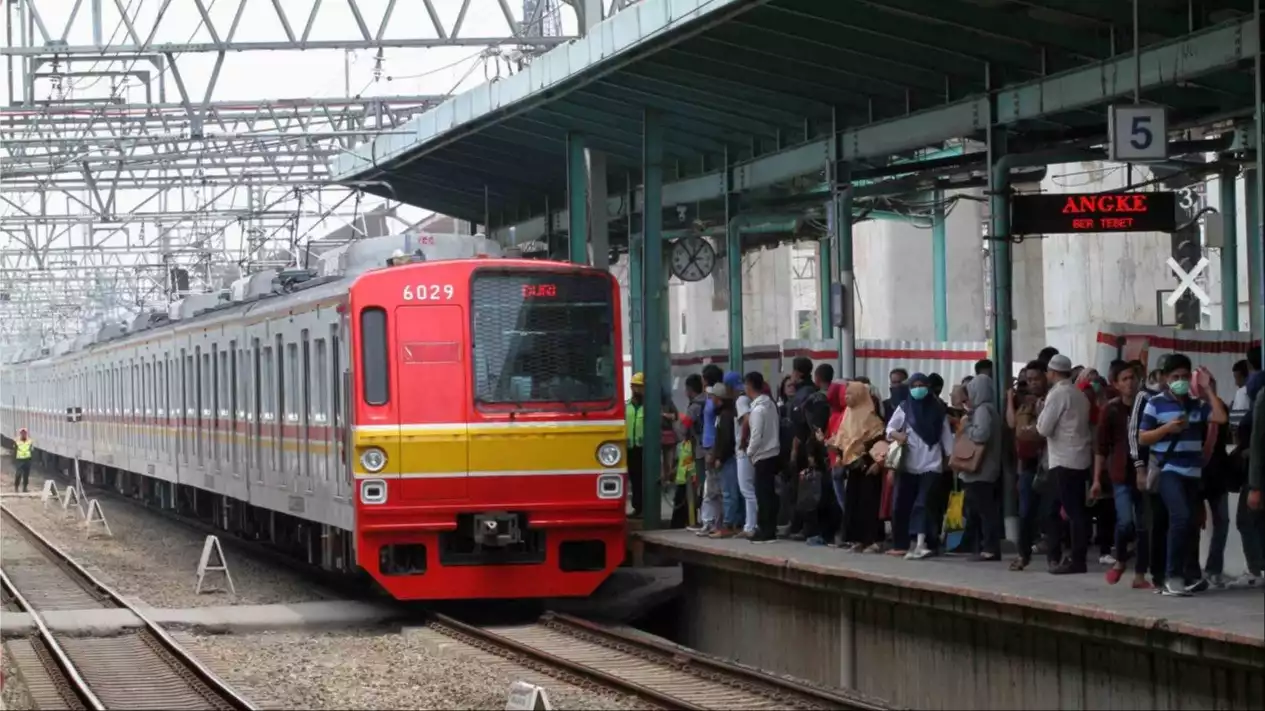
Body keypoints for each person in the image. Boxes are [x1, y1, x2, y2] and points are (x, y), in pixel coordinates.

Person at [1138, 354, 1229, 596]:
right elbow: (1142, 436)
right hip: (1169, 470)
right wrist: (1168, 428)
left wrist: (1207, 390)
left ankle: (1187, 574)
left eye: (1184, 377)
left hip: (1193, 472)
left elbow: (1220, 417)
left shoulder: (1196, 405)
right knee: (1180, 517)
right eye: (1175, 377)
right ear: (1166, 379)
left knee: (1189, 523)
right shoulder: (1155, 403)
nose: (1180, 381)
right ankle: (1171, 575)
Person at [1091, 361, 1152, 588]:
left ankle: (1140, 574)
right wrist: (1097, 479)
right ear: (1116, 384)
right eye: (1124, 379)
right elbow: (1100, 447)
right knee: (1126, 521)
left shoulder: (1147, 405)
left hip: (1144, 472)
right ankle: (1120, 560)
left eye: (1132, 378)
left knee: (1145, 525)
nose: (1129, 383)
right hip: (1119, 474)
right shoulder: (1111, 409)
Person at [886, 372, 955, 559]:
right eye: (914, 385)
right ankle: (902, 544)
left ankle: (922, 543)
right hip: (908, 465)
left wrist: (950, 461)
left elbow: (946, 438)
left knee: (923, 504)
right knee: (902, 504)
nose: (918, 388)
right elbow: (890, 429)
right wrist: (898, 435)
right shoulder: (904, 407)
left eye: (921, 385)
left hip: (931, 465)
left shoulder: (938, 410)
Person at [1036, 354, 1094, 575]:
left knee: (1070, 511)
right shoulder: (1079, 394)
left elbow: (1043, 428)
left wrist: (1039, 415)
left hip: (1062, 460)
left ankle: (1076, 559)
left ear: (1051, 372)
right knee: (1072, 510)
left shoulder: (1058, 394)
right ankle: (1064, 555)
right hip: (1080, 458)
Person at [830, 381, 888, 552]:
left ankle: (874, 540)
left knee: (869, 502)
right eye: (845, 394)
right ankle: (857, 539)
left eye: (850, 394)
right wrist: (840, 454)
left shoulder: (871, 415)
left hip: (868, 465)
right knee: (853, 502)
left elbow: (878, 438)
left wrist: (878, 462)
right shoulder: (848, 414)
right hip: (852, 465)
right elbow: (843, 437)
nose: (846, 397)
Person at [1009, 359, 1051, 571]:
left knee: (1050, 512)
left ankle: (1054, 555)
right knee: (1026, 512)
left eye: (1036, 379)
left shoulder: (1052, 399)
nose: (1033, 383)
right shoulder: (1026, 403)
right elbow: (1017, 429)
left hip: (1049, 462)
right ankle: (1023, 554)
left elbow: (1040, 431)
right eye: (1029, 380)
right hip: (1028, 464)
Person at [957, 374, 1003, 561]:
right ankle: (982, 546)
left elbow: (981, 434)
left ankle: (990, 548)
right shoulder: (987, 409)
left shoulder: (983, 410)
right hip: (986, 467)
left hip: (982, 468)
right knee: (982, 508)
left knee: (985, 510)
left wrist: (967, 426)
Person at [745, 372, 780, 543]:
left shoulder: (758, 409)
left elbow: (756, 435)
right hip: (773, 452)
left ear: (750, 386)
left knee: (763, 494)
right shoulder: (771, 405)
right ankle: (770, 528)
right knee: (768, 493)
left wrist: (749, 452)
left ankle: (765, 530)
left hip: (762, 455)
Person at [694, 365, 725, 536]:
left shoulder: (714, 397)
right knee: (710, 485)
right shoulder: (709, 396)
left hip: (712, 444)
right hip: (708, 444)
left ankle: (712, 521)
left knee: (713, 486)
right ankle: (709, 521)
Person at [707, 383, 740, 538]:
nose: (711, 399)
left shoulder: (725, 416)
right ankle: (731, 523)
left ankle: (728, 524)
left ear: (718, 398)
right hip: (727, 458)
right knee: (729, 492)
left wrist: (720, 457)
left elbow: (726, 439)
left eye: (712, 396)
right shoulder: (724, 414)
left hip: (728, 459)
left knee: (729, 493)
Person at [732, 372, 758, 540]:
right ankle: (752, 524)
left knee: (746, 489)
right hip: (751, 448)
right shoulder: (748, 399)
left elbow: (747, 419)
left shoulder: (741, 400)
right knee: (750, 488)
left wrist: (742, 440)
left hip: (744, 450)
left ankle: (751, 526)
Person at [626, 373, 646, 518]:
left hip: (644, 449)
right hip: (630, 448)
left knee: (644, 479)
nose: (637, 390)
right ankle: (637, 507)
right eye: (635, 386)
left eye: (639, 387)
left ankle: (646, 507)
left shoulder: (649, 407)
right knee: (634, 479)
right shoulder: (627, 406)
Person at [13, 428, 32, 492]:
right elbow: (14, 451)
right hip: (19, 460)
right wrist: (14, 460)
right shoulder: (17, 441)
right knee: (18, 474)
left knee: (26, 475)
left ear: (26, 434)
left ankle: (25, 488)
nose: (23, 434)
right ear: (20, 434)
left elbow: (31, 450)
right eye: (22, 433)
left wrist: (31, 459)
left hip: (27, 459)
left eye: (25, 433)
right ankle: (16, 487)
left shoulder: (29, 441)